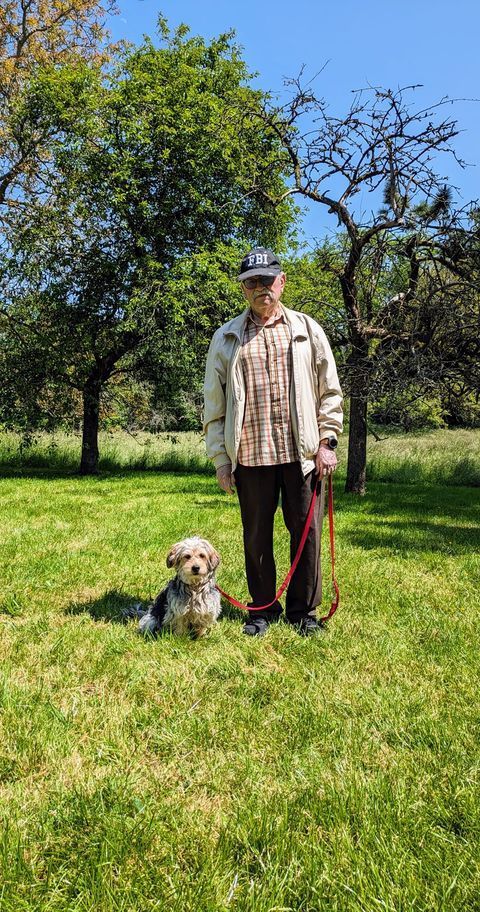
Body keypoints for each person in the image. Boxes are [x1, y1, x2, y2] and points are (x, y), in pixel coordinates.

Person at [203, 247, 343, 636]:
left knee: (307, 534)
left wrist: (327, 441)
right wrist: (220, 459)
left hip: (302, 454)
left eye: (267, 279)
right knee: (256, 537)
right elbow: (214, 405)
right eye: (252, 282)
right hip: (249, 455)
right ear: (244, 289)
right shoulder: (227, 336)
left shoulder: (307, 330)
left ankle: (304, 613)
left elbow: (330, 391)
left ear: (282, 282)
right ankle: (262, 610)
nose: (261, 288)